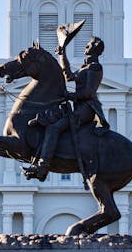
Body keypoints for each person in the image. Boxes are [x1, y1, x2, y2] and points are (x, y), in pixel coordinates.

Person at [23, 36, 109, 181]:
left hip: (86, 110)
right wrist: (62, 55)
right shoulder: (85, 67)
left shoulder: (95, 67)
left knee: (54, 128)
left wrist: (69, 95)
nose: (86, 46)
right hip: (77, 108)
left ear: (95, 48)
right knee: (49, 117)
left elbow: (89, 93)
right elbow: (68, 75)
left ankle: (42, 167)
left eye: (89, 44)